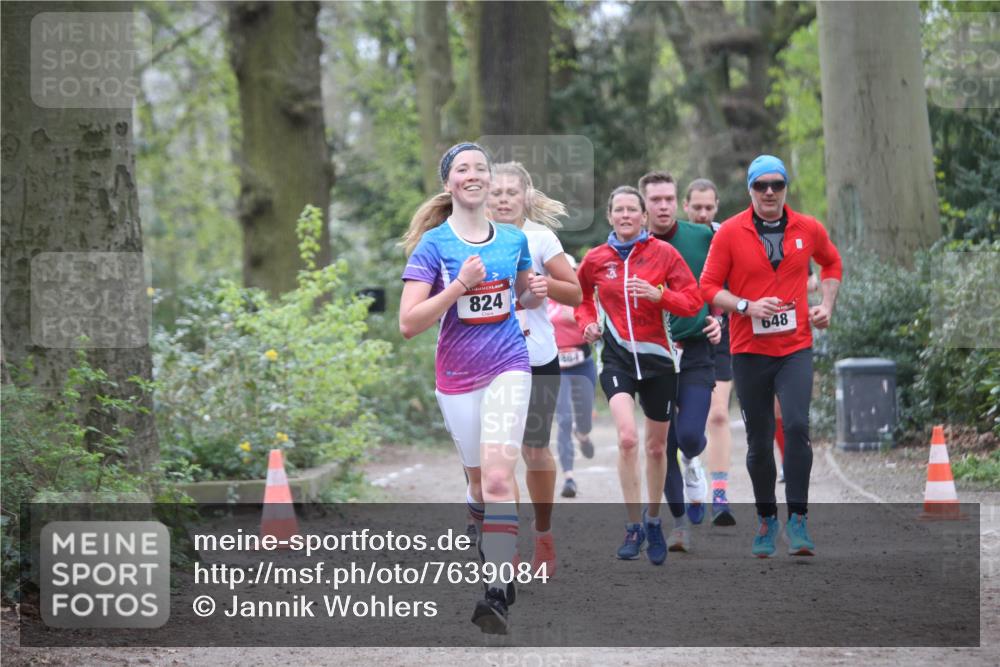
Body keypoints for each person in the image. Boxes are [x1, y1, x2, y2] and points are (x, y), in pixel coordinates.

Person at [400, 142, 547, 633]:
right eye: (463, 168)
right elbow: (409, 323)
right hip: (456, 378)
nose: (474, 174)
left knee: (503, 477)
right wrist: (459, 285)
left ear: (488, 180)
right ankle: (482, 519)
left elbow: (520, 297)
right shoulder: (434, 246)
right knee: (481, 483)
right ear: (449, 183)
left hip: (509, 363)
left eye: (480, 167)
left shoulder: (511, 239)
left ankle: (496, 591)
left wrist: (531, 293)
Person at [700, 154, 842, 558]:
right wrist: (745, 306)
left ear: (785, 189)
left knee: (796, 426)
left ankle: (798, 518)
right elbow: (708, 286)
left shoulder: (808, 228)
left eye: (776, 185)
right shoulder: (729, 232)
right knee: (760, 442)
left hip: (796, 346)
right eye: (761, 185)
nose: (769, 192)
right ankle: (766, 519)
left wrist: (826, 307)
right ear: (750, 190)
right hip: (748, 351)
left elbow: (831, 263)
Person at [575, 185, 702, 565]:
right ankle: (632, 525)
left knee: (657, 447)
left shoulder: (664, 254)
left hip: (659, 361)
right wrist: (587, 324)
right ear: (610, 216)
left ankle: (652, 520)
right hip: (615, 361)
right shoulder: (596, 259)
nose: (627, 215)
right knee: (628, 438)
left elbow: (694, 301)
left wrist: (658, 294)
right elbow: (582, 300)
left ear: (644, 217)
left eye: (634, 210)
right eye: (620, 210)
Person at [487, 161, 582, 577]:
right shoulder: (470, 237)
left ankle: (542, 534)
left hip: (537, 358)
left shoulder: (541, 238)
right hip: (486, 359)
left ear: (526, 195)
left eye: (512, 192)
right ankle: (505, 543)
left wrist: (547, 286)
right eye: (497, 192)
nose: (504, 199)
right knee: (498, 457)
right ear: (483, 196)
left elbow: (576, 292)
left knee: (534, 451)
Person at [640, 172, 722, 553]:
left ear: (678, 202)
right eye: (655, 200)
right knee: (663, 441)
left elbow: (726, 283)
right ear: (644, 206)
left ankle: (694, 461)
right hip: (651, 356)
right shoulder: (632, 247)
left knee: (688, 436)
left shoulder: (702, 237)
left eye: (669, 199)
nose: (663, 206)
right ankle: (678, 526)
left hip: (696, 349)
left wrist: (722, 319)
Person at [682, 178, 737, 527]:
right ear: (685, 207)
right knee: (687, 425)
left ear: (716, 207)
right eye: (696, 207)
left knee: (718, 415)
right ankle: (691, 472)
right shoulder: (674, 240)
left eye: (709, 207)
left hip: (722, 333)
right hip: (683, 338)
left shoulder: (726, 237)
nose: (703, 214)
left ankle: (720, 494)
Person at [547, 255, 596, 499]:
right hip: (557, 368)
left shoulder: (582, 298)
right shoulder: (543, 298)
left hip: (582, 364)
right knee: (564, 419)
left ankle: (584, 434)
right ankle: (569, 477)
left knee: (583, 419)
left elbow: (597, 325)